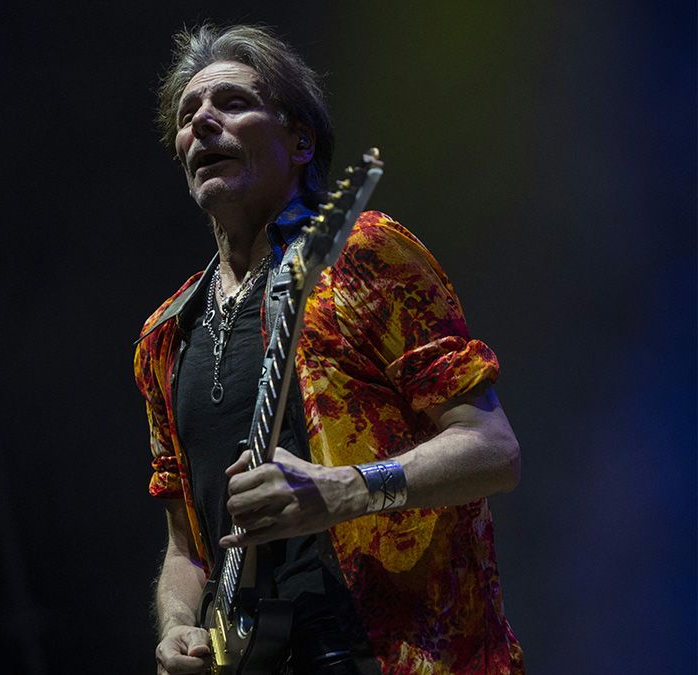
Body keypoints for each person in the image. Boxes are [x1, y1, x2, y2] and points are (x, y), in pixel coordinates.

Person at [134, 24, 524, 674]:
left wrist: (345, 490)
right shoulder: (165, 335)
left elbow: (494, 449)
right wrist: (177, 625)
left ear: (300, 140)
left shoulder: (361, 253)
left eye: (231, 102)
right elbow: (185, 546)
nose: (202, 121)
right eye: (187, 114)